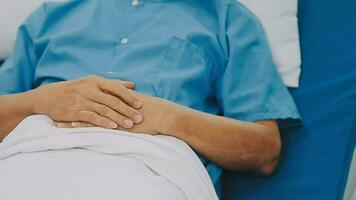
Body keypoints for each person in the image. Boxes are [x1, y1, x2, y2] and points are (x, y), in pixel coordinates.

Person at [0, 0, 300, 197]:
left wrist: (164, 117)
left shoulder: (228, 19)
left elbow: (265, 151)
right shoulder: (51, 15)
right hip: (32, 153)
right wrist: (40, 100)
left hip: (149, 165)